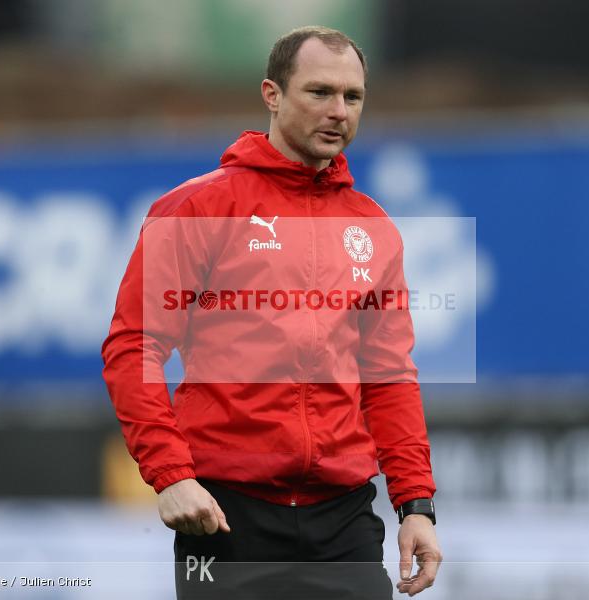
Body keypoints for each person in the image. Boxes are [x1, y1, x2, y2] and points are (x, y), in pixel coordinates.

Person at [102, 26, 442, 599]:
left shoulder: (373, 228)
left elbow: (389, 378)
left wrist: (417, 505)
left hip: (344, 519)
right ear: (272, 94)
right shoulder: (198, 209)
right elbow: (133, 347)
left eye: (352, 97)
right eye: (319, 92)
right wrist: (172, 476)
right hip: (227, 517)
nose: (338, 112)